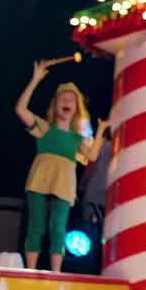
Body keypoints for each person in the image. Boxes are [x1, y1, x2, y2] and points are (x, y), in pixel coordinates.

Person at [14, 60, 107, 272]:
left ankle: (56, 273)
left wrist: (101, 131)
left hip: (64, 182)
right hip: (40, 177)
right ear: (56, 105)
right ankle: (31, 270)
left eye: (71, 101)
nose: (67, 102)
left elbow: (92, 156)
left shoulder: (77, 137)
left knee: (58, 228)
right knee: (35, 226)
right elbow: (20, 109)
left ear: (76, 109)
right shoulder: (44, 128)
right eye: (63, 99)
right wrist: (35, 79)